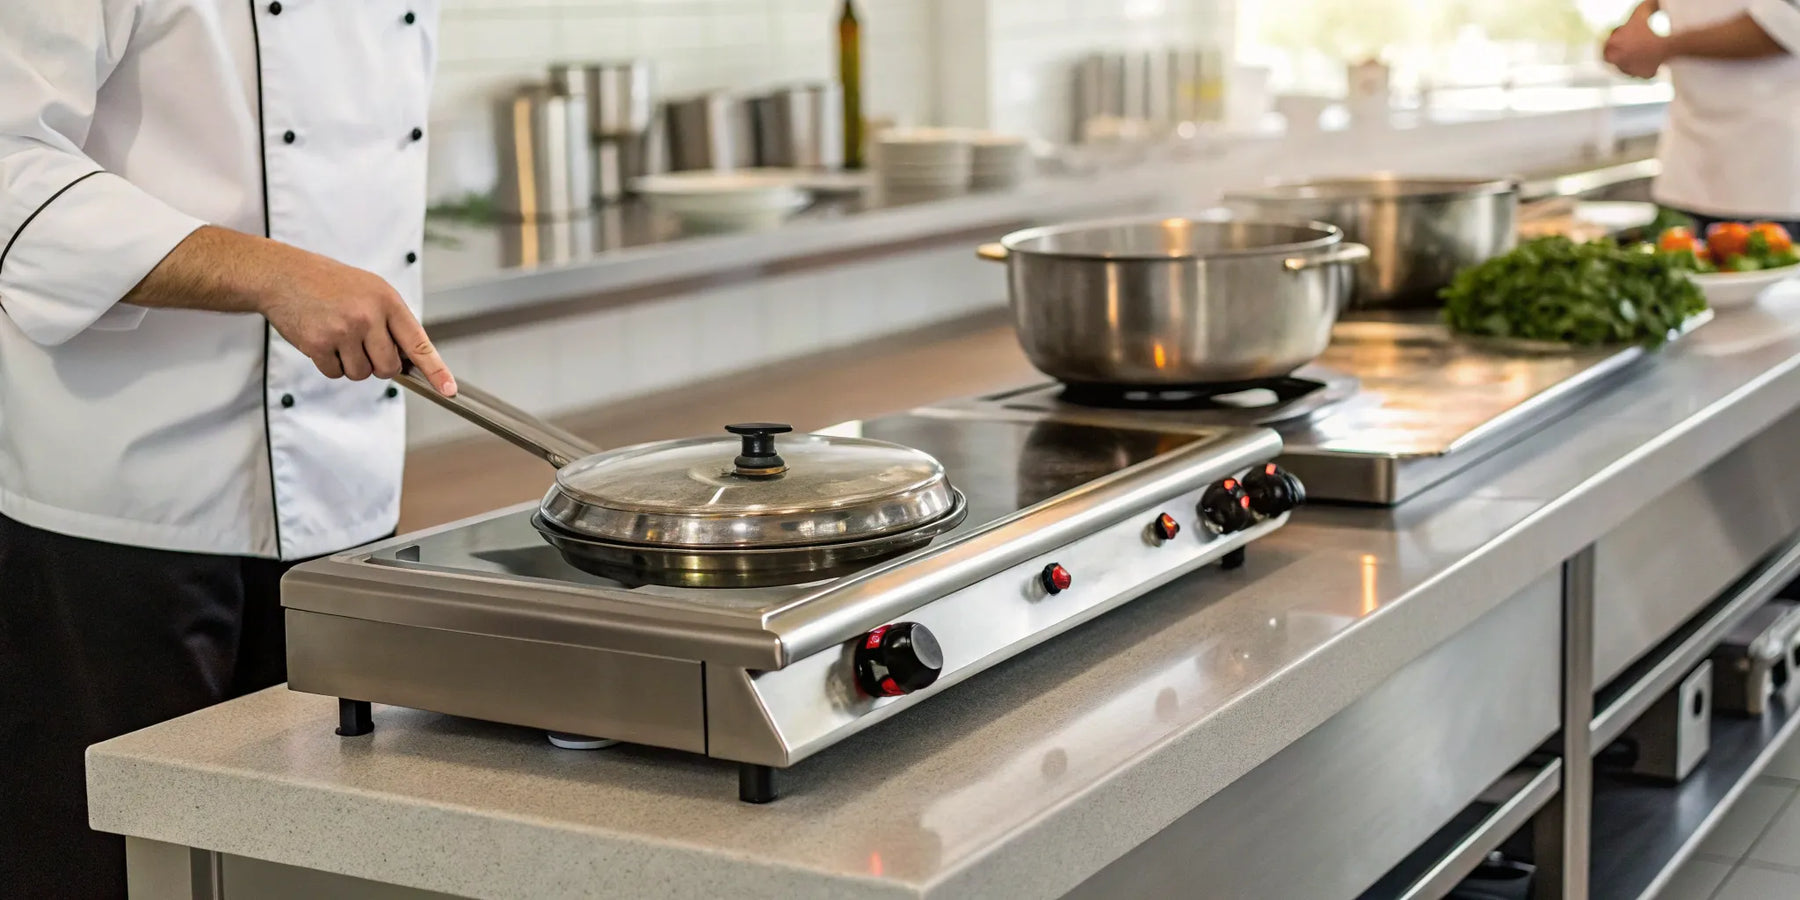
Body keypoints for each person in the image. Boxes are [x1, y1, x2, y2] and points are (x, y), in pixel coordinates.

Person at [0, 3, 457, 895]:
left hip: (344, 492)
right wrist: (271, 273)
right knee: (113, 866)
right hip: (125, 502)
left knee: (319, 865)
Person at [1605, 0, 1800, 234]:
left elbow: (1787, 22)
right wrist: (1639, 22)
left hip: (1771, 179)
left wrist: (1663, 47)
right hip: (1682, 175)